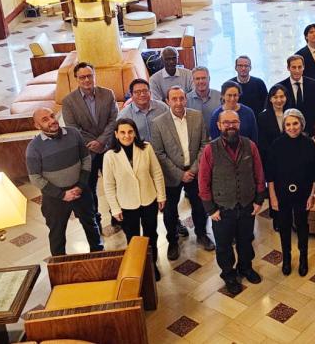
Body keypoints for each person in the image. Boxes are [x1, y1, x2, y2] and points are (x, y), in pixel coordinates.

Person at [198, 109, 267, 295]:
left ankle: (246, 267)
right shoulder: (210, 150)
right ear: (219, 125)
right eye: (226, 123)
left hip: (246, 205)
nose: (231, 126)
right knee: (223, 245)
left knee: (246, 240)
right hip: (222, 209)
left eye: (234, 122)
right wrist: (210, 209)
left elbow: (259, 174)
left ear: (239, 124)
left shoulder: (250, 145)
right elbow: (203, 181)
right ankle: (228, 274)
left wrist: (259, 199)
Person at [26, 108, 104, 256]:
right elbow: (35, 177)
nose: (51, 121)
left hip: (81, 191)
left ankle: (99, 257)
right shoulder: (34, 147)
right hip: (55, 198)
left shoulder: (74, 133)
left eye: (52, 116)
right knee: (57, 234)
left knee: (91, 225)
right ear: (37, 126)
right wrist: (62, 195)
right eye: (45, 119)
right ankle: (60, 267)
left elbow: (86, 159)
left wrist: (80, 186)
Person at [151, 86, 214, 260]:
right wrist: (180, 174)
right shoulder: (158, 123)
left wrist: (192, 170)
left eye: (181, 98)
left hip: (194, 172)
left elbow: (204, 144)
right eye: (174, 99)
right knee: (170, 211)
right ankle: (172, 241)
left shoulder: (197, 116)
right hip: (172, 176)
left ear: (186, 99)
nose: (178, 102)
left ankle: (202, 234)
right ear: (167, 101)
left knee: (200, 205)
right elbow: (158, 153)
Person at [102, 118, 166, 281]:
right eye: (122, 132)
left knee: (151, 234)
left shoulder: (146, 148)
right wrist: (115, 209)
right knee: (134, 238)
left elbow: (156, 173)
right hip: (127, 204)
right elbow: (108, 185)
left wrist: (161, 195)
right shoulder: (110, 156)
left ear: (135, 132)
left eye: (130, 132)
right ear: (116, 135)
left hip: (148, 199)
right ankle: (139, 266)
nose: (127, 136)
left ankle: (152, 265)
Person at [62, 62, 118, 231]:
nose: (86, 80)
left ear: (94, 76)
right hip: (87, 152)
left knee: (115, 183)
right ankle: (96, 220)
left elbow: (113, 120)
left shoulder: (108, 94)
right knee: (90, 188)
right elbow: (73, 128)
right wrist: (93, 143)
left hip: (108, 147)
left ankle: (117, 216)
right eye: (82, 77)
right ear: (76, 79)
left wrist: (101, 141)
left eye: (89, 76)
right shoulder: (68, 102)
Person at [267, 109, 315, 276]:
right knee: (284, 226)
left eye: (295, 123)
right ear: (284, 126)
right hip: (282, 194)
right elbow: (271, 174)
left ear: (301, 124)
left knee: (302, 226)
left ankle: (303, 258)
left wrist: (312, 195)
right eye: (288, 124)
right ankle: (287, 259)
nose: (292, 127)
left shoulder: (310, 144)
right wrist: (272, 197)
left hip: (303, 194)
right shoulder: (276, 144)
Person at [257, 84, 290, 231]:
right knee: (274, 191)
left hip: (290, 160)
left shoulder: (291, 113)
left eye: (282, 96)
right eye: (275, 97)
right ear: (270, 99)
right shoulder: (263, 116)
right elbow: (263, 142)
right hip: (273, 161)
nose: (279, 100)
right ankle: (277, 219)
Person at [279, 55, 315, 135]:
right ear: (288, 68)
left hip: (310, 132)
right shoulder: (281, 87)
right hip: (289, 132)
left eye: (300, 67)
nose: (297, 70)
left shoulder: (313, 84)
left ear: (303, 67)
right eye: (294, 67)